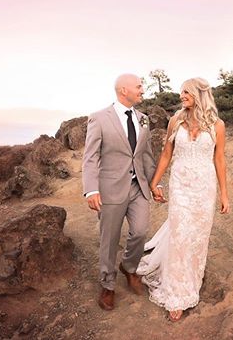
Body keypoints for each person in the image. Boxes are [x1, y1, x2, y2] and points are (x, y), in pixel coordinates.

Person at [137, 77, 230, 322]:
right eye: (180, 92)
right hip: (180, 184)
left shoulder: (217, 125)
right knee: (180, 235)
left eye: (186, 92)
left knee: (197, 237)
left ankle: (192, 278)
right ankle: (177, 293)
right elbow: (167, 153)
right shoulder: (175, 120)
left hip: (204, 187)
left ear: (200, 94)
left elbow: (219, 159)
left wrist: (224, 194)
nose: (181, 96)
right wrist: (154, 181)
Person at [82, 73, 164, 311]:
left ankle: (128, 268)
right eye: (138, 86)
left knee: (140, 231)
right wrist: (91, 190)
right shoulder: (98, 118)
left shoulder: (144, 119)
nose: (142, 90)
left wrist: (154, 183)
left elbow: (146, 155)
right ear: (123, 91)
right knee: (109, 239)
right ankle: (107, 285)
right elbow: (90, 157)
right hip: (110, 188)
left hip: (138, 187)